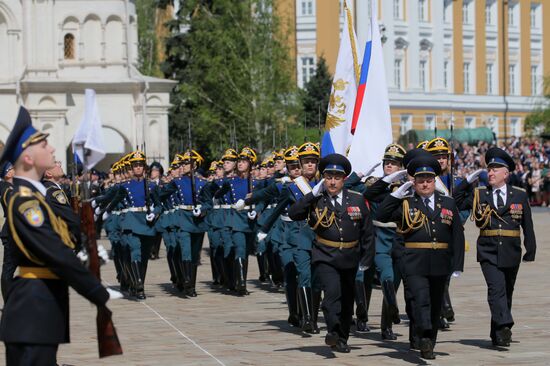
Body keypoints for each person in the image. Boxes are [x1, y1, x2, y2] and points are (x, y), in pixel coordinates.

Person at [0, 106, 121, 365]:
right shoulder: (25, 203)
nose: (53, 149)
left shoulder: (37, 198)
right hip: (34, 307)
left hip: (42, 305)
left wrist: (85, 251)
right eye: (44, 145)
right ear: (29, 158)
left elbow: (59, 239)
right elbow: (54, 252)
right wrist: (96, 291)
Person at [377, 154, 464, 360]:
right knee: (419, 300)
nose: (425, 184)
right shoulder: (406, 203)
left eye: (428, 180)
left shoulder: (448, 203)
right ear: (413, 183)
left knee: (435, 305)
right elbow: (381, 215)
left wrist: (457, 264)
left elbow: (457, 236)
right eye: (420, 181)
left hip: (440, 261)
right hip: (414, 261)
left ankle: (428, 343)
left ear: (434, 181)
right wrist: (397, 194)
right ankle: (424, 333)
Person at [288, 153, 375, 353]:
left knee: (346, 300)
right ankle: (333, 331)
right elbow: (294, 214)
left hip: (350, 256)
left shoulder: (357, 199)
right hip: (325, 255)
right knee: (331, 296)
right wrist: (311, 195)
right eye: (328, 177)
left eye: (337, 178)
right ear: (323, 179)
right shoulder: (317, 200)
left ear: (344, 179)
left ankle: (342, 338)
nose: (332, 182)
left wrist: (366, 258)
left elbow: (367, 233)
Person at [454, 147, 536, 347]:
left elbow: (527, 224)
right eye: (489, 169)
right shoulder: (479, 194)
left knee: (506, 292)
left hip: (511, 250)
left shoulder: (519, 195)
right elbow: (454, 199)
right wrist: (467, 181)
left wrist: (530, 249)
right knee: (496, 289)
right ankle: (506, 324)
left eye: (495, 169)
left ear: (506, 173)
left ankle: (498, 333)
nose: (490, 173)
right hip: (488, 250)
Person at [0, 161, 15, 301]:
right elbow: (13, 207)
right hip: (10, 231)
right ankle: (8, 300)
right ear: (7, 173)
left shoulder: (11, 187)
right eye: (11, 168)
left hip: (13, 230)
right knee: (8, 269)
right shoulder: (7, 189)